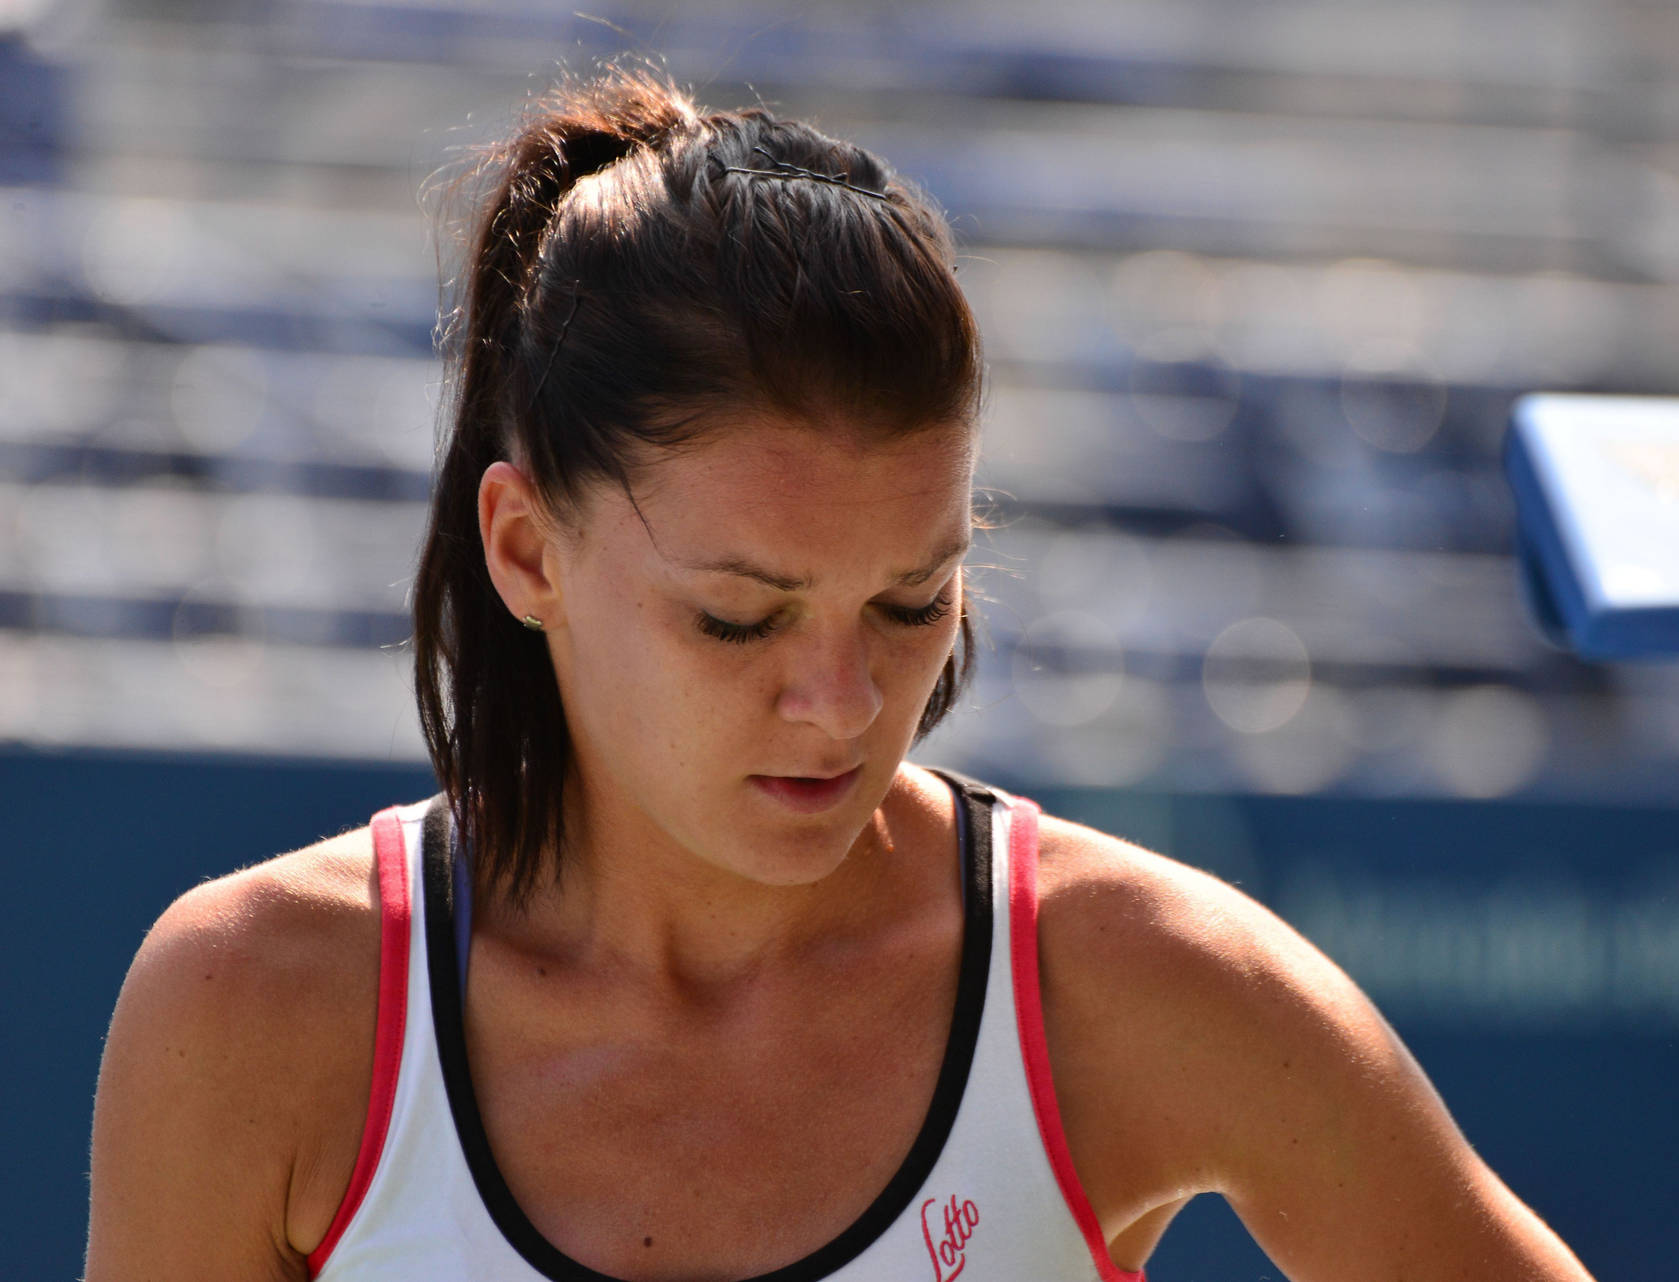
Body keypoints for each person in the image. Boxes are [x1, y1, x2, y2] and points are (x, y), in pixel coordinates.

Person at [85, 62, 1595, 1282]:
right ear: (527, 547)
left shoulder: (1141, 984)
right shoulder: (252, 1008)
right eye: (739, 619)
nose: (845, 704)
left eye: (910, 601)